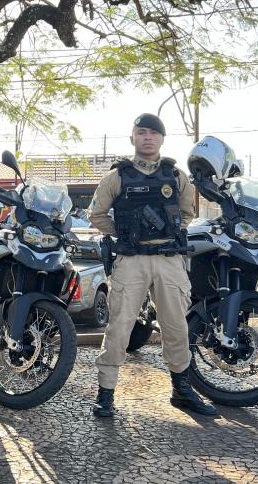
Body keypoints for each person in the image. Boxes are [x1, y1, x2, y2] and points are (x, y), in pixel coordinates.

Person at [88, 114, 217, 418]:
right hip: (131, 261)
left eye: (154, 133)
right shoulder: (117, 177)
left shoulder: (176, 176)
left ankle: (182, 391)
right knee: (119, 328)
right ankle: (105, 394)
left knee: (176, 327)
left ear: (162, 138)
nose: (148, 137)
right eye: (142, 132)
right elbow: (96, 215)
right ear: (132, 137)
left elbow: (187, 214)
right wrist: (125, 233)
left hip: (168, 260)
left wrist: (167, 232)